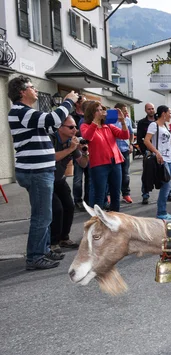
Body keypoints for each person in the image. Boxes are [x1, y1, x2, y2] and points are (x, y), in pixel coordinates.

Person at [8, 76, 78, 269]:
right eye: (32, 87)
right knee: (42, 216)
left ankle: (44, 249)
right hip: (36, 171)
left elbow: (50, 125)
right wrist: (68, 101)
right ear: (22, 92)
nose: (36, 90)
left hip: (39, 170)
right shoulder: (20, 111)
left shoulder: (26, 112)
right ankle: (35, 257)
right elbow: (54, 119)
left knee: (45, 214)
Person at [80, 101, 129, 212]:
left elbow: (125, 135)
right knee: (100, 195)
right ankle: (97, 221)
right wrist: (95, 122)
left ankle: (114, 220)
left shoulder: (108, 126)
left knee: (115, 194)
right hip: (99, 165)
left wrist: (122, 122)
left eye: (101, 109)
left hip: (115, 162)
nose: (100, 112)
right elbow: (88, 137)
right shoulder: (85, 126)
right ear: (91, 113)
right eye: (97, 110)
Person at [49, 116, 89, 252]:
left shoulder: (72, 143)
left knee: (69, 207)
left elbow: (83, 164)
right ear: (60, 127)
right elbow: (51, 157)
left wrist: (85, 152)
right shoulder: (51, 139)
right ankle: (53, 242)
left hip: (59, 179)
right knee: (57, 209)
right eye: (71, 127)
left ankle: (64, 238)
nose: (75, 130)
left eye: (75, 127)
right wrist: (70, 149)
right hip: (46, 180)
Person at [144, 105, 171, 220]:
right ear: (163, 113)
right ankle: (161, 212)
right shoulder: (154, 125)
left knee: (166, 186)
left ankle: (162, 211)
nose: (170, 115)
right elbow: (147, 141)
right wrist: (157, 153)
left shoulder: (165, 126)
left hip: (169, 159)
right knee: (166, 186)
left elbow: (167, 143)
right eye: (169, 113)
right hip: (162, 160)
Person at [113, 103, 134, 204]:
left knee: (125, 174)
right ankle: (109, 194)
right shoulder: (111, 121)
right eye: (124, 110)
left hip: (125, 149)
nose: (126, 112)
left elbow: (131, 133)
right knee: (113, 174)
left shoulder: (128, 120)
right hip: (114, 150)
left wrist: (131, 144)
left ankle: (126, 194)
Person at [136, 103, 156, 204]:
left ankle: (168, 193)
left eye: (152, 108)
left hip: (159, 151)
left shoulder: (159, 120)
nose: (151, 110)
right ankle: (145, 194)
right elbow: (140, 139)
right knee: (146, 174)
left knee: (164, 173)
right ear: (145, 110)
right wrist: (144, 151)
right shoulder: (142, 123)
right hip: (148, 152)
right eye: (149, 109)